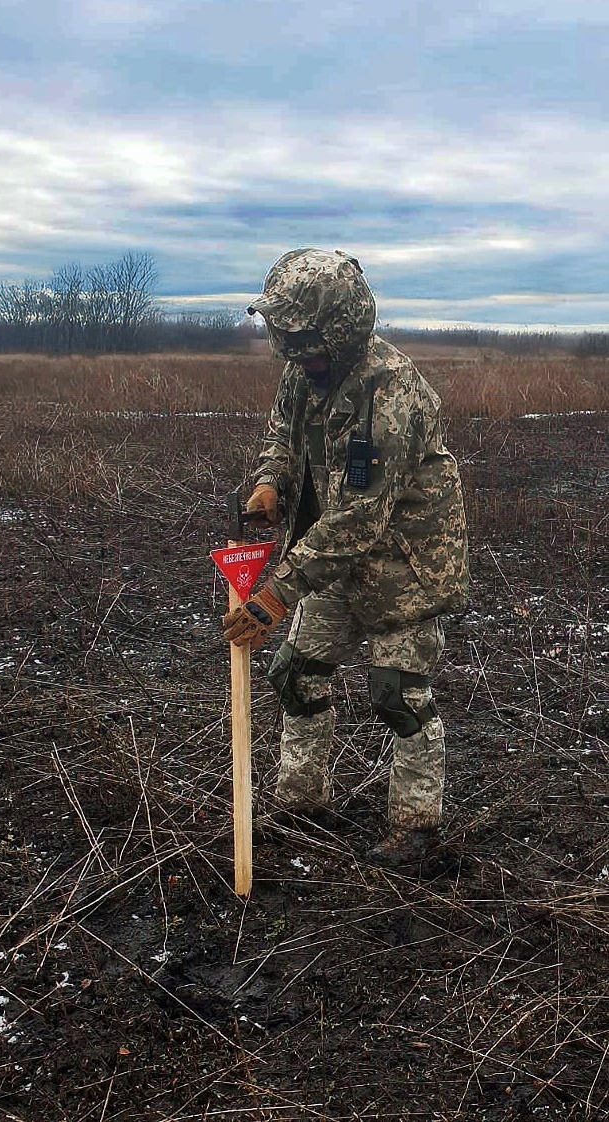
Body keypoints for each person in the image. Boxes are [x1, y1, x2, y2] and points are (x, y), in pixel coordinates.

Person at [222, 248, 469, 864]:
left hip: (403, 566)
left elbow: (361, 515)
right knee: (294, 673)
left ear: (341, 325)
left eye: (307, 341)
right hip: (329, 560)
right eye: (289, 342)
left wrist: (277, 592)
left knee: (398, 696)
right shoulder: (305, 375)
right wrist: (270, 483)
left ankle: (416, 828)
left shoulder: (395, 392)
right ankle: (303, 802)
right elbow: (282, 437)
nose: (297, 354)